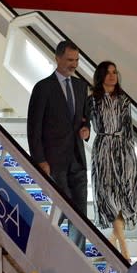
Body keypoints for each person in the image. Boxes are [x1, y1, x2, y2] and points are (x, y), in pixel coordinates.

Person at [27, 40, 89, 251]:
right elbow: (33, 128)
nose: (74, 64)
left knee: (80, 213)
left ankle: (77, 255)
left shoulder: (81, 87)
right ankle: (47, 245)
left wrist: (86, 129)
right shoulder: (43, 88)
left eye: (77, 60)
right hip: (54, 161)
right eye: (70, 60)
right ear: (57, 58)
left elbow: (84, 118)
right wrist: (40, 160)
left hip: (78, 160)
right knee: (64, 207)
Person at [84, 61, 137, 259]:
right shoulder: (92, 100)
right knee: (109, 198)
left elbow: (128, 129)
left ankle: (111, 247)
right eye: (108, 72)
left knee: (121, 200)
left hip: (122, 151)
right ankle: (124, 252)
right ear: (101, 75)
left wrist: (130, 158)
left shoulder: (124, 100)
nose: (112, 76)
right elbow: (84, 121)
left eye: (115, 72)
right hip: (103, 149)